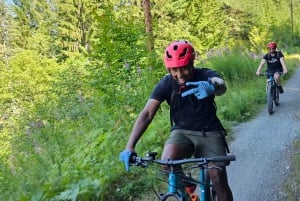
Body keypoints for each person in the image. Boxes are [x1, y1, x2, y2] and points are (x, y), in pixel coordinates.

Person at [119, 40, 233, 201]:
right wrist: (129, 146)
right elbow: (147, 114)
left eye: (184, 68)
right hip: (181, 132)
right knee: (167, 165)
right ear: (168, 68)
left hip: (210, 131)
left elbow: (221, 85)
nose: (179, 75)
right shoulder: (167, 83)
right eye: (174, 69)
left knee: (218, 178)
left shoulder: (205, 74)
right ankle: (189, 189)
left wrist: (212, 87)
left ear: (192, 62)